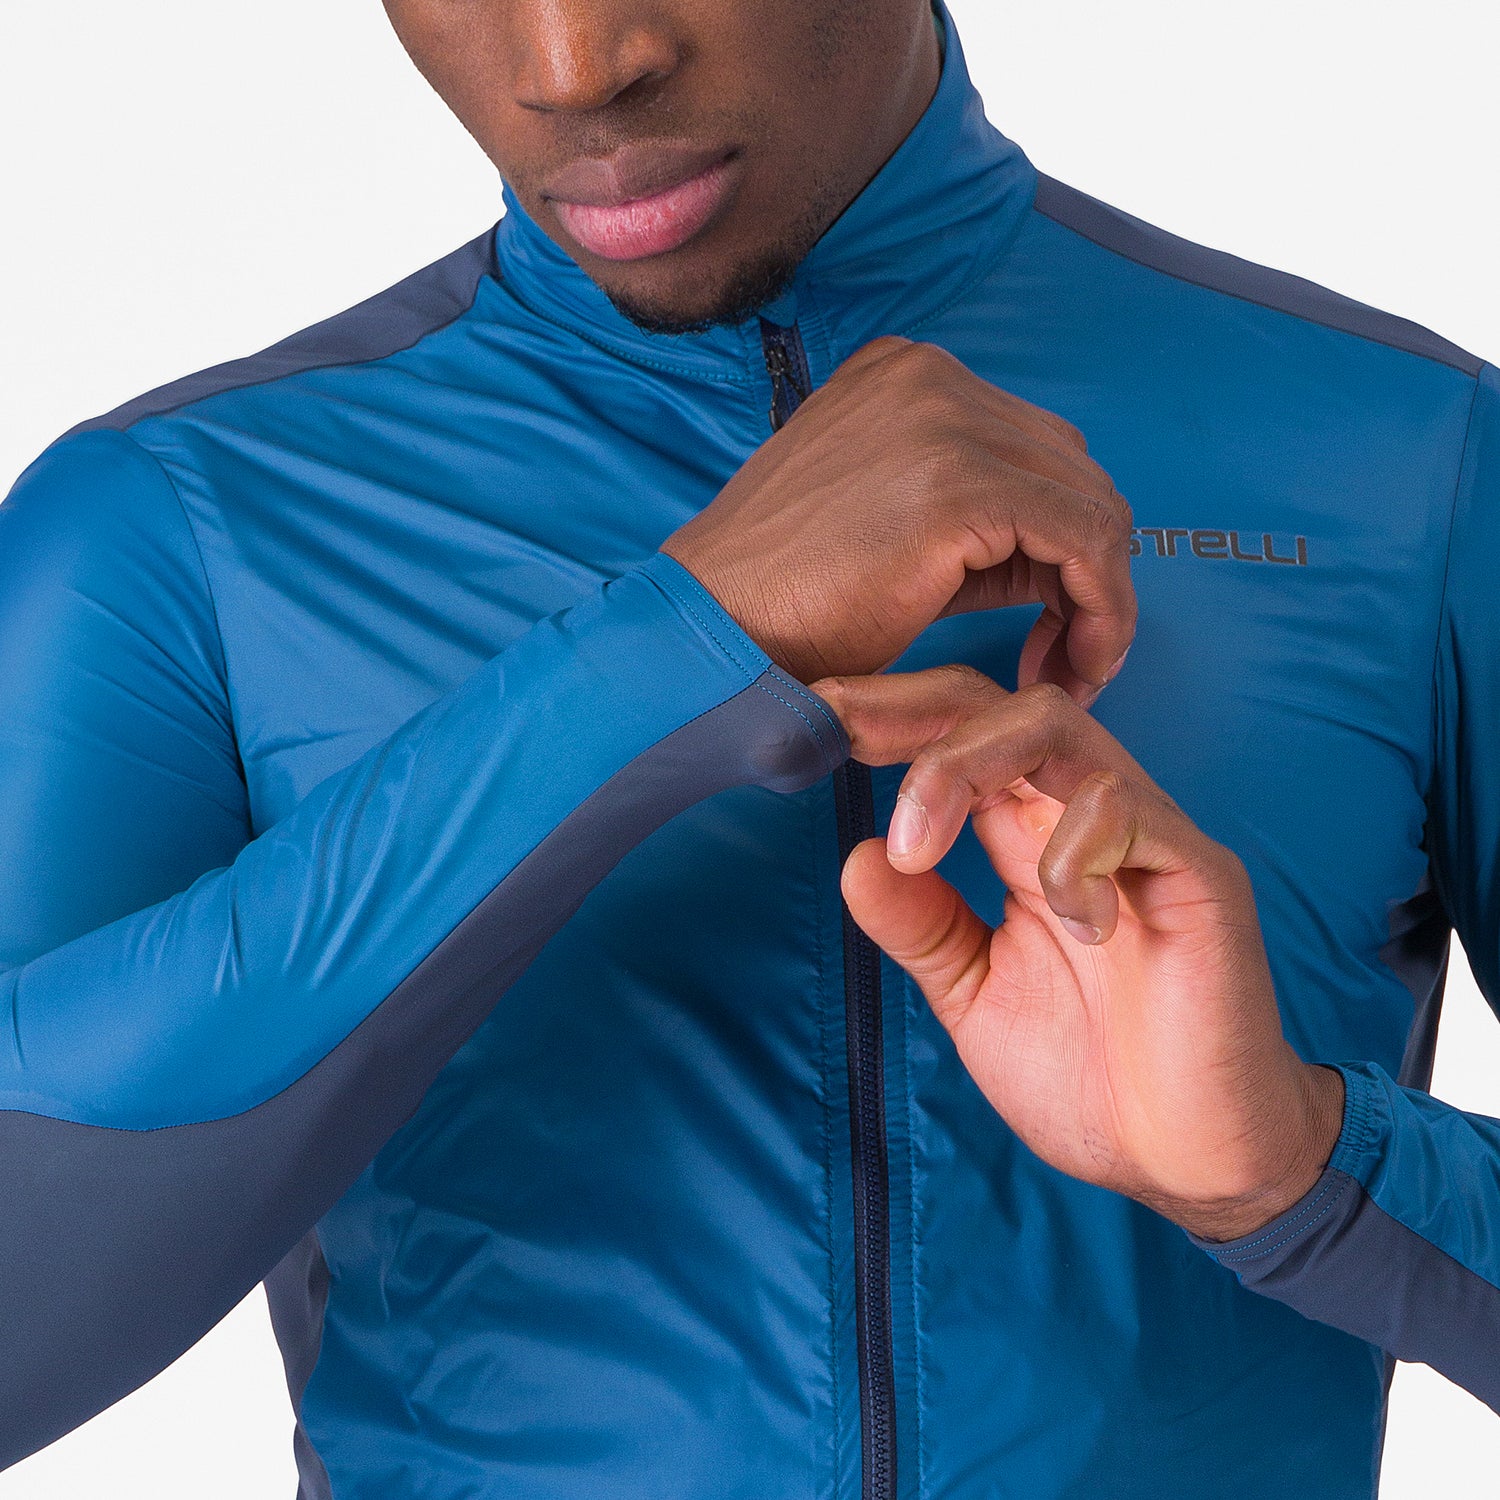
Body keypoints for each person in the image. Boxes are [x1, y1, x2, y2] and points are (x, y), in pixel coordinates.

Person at [0, 1, 1494, 1495]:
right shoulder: (180, 529)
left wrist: (1305, 1168)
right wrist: (668, 654)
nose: (573, 69)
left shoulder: (1413, 460)